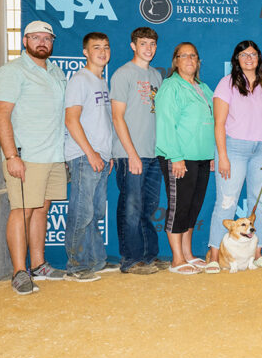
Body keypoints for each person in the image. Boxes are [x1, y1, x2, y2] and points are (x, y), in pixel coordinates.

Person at [0, 20, 67, 294]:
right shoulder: (12, 72)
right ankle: (19, 272)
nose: (42, 42)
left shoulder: (56, 72)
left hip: (53, 154)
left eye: (47, 38)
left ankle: (38, 265)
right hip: (27, 155)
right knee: (22, 211)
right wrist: (12, 155)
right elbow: (2, 116)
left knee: (41, 209)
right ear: (25, 41)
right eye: (35, 37)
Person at [207, 41, 262, 271]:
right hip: (234, 148)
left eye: (253, 54)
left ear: (259, 58)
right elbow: (219, 123)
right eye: (243, 54)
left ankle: (256, 254)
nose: (249, 58)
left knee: (260, 204)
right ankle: (214, 256)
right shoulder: (226, 83)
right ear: (237, 59)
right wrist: (222, 155)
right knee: (226, 203)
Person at [155, 42, 215, 275]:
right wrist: (176, 157)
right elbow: (166, 124)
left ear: (198, 61)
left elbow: (210, 122)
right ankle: (176, 258)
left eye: (193, 56)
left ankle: (188, 254)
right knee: (178, 207)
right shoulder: (171, 87)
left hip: (201, 156)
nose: (190, 59)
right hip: (179, 157)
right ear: (176, 61)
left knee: (193, 207)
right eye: (184, 56)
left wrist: (211, 155)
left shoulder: (203, 87)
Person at [63, 32, 118, 282]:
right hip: (85, 157)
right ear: (85, 52)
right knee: (81, 213)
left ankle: (96, 261)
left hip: (101, 156)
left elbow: (101, 122)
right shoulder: (80, 80)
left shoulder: (101, 82)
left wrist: (107, 154)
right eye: (96, 47)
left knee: (95, 213)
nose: (102, 52)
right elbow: (71, 120)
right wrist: (91, 153)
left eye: (106, 47)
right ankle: (75, 265)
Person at [110, 27, 166, 275]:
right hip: (130, 154)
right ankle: (130, 260)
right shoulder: (123, 74)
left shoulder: (156, 75)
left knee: (147, 207)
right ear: (133, 46)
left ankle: (148, 256)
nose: (149, 48)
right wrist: (131, 153)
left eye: (152, 44)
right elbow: (117, 117)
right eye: (143, 44)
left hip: (153, 154)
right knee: (131, 207)